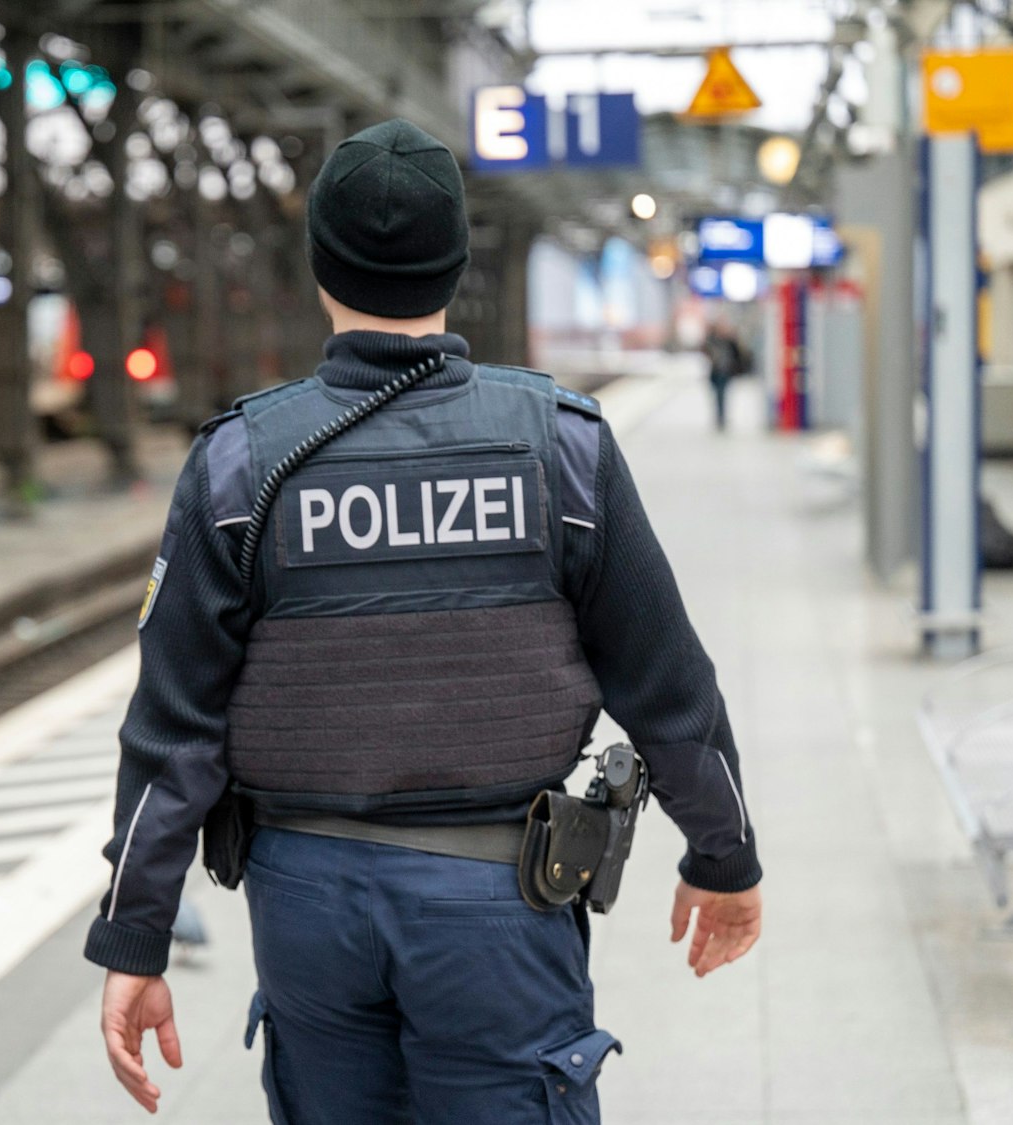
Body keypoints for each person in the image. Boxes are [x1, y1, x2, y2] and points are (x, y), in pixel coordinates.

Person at [87, 119, 764, 1124]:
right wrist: (723, 856)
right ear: (454, 261)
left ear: (321, 266)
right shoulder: (560, 450)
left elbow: (172, 727)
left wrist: (133, 937)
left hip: (304, 899)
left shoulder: (239, 464)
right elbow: (666, 686)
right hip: (497, 900)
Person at [703, 318, 743, 431]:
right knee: (717, 395)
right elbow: (705, 349)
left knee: (722, 394)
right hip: (715, 372)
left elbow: (738, 354)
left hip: (726, 371)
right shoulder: (712, 340)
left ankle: (722, 417)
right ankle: (719, 416)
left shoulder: (729, 340)